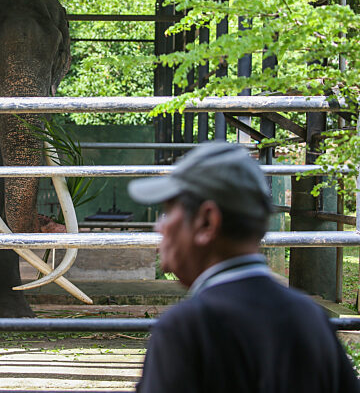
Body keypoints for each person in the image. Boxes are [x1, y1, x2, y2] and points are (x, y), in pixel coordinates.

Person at [128, 142, 359, 393]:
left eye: (169, 211)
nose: (160, 228)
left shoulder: (188, 330)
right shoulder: (311, 320)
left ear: (207, 221)